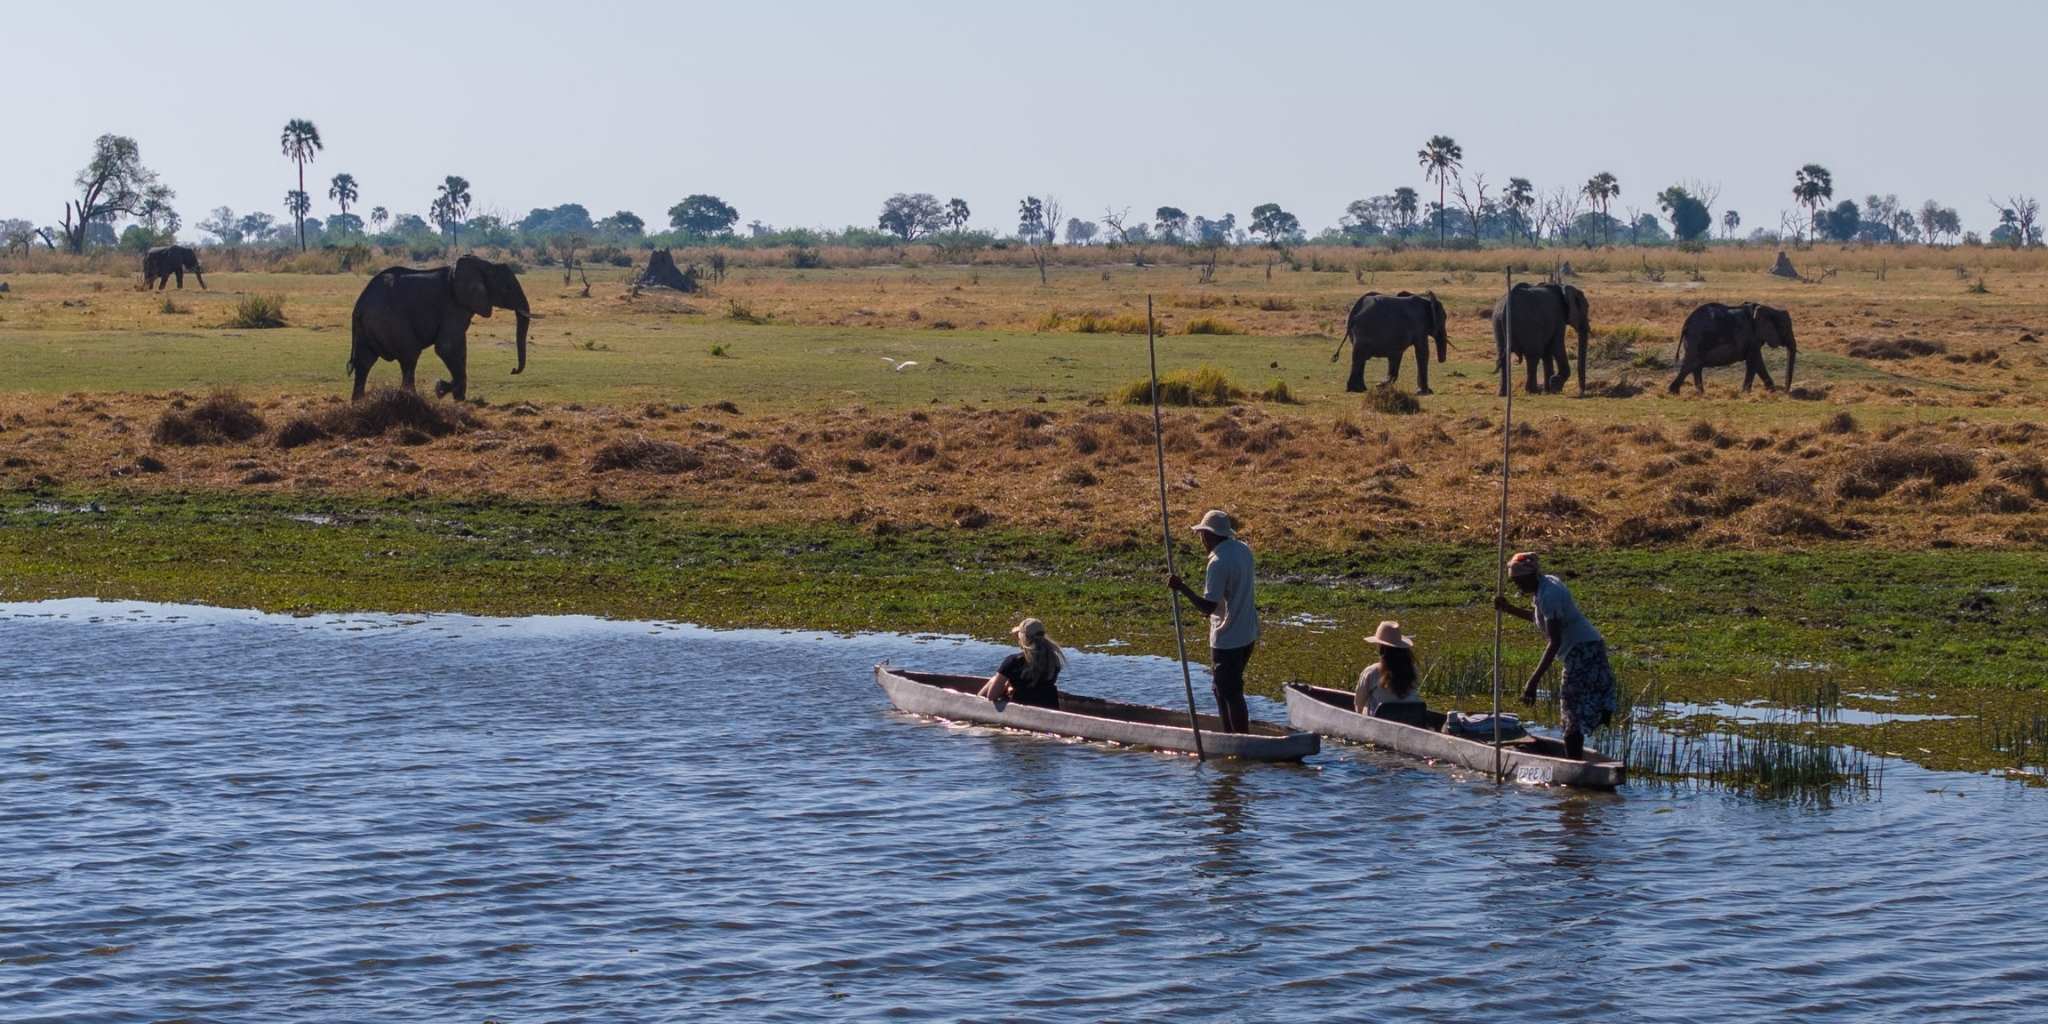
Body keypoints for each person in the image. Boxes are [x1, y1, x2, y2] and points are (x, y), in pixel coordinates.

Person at [1493, 551, 1617, 759]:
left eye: (1518, 581)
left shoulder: (1549, 594)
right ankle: (1576, 760)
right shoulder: (1545, 585)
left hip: (1582, 652)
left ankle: (1573, 767)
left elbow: (1554, 641)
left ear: (1530, 576)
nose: (1517, 586)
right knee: (1575, 711)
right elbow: (1540, 618)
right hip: (1589, 646)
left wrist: (1532, 683)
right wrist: (1508, 609)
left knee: (1570, 713)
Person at [1167, 509, 1258, 734]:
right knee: (1222, 689)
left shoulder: (1218, 562)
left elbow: (1208, 607)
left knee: (1230, 692)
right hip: (1248, 634)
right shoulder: (1243, 550)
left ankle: (1240, 739)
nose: (1201, 541)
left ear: (1208, 535)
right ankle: (1230, 735)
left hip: (1227, 638)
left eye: (1202, 536)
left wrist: (1182, 588)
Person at [978, 617, 1065, 709]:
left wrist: (1006, 687)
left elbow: (991, 696)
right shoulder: (1053, 659)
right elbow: (1033, 683)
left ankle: (975, 706)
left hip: (1022, 708)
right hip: (1050, 706)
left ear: (1023, 638)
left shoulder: (1013, 661)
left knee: (994, 680)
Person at [1354, 620, 1426, 719]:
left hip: (1381, 722)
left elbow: (1358, 704)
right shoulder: (1414, 670)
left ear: (1380, 647)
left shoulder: (1371, 672)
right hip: (1412, 720)